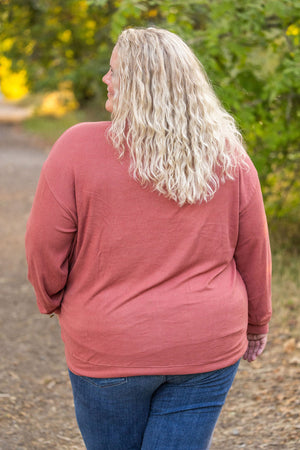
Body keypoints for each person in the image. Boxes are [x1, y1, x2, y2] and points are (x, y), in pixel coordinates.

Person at [25, 27, 272, 450]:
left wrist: (52, 299)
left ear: (142, 84)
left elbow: (44, 246)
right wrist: (256, 322)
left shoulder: (76, 147)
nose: (105, 78)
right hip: (205, 344)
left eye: (115, 70)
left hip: (109, 343)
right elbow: (254, 250)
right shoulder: (228, 154)